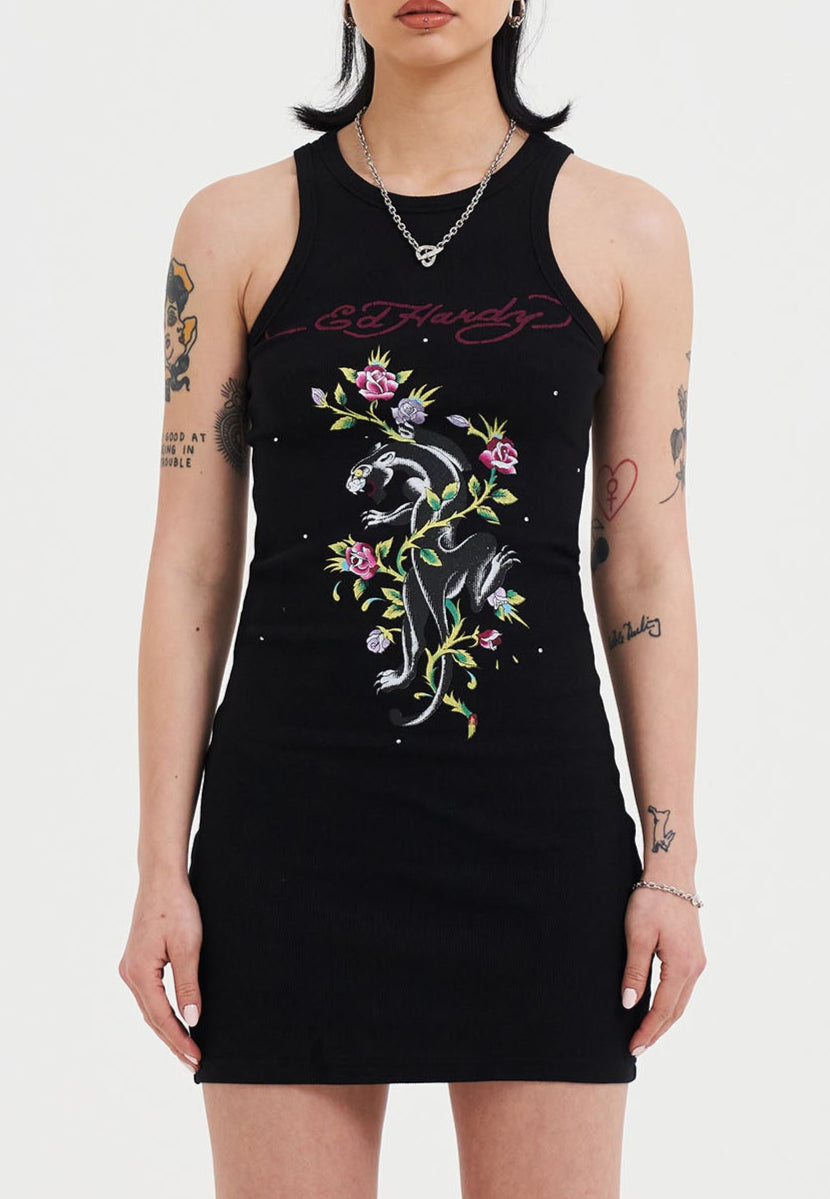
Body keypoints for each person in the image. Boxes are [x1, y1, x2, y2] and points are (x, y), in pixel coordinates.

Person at [118, 1, 706, 1195]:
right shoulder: (232, 226)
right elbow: (190, 563)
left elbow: (642, 562)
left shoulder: (625, 228)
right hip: (287, 835)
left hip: (536, 838)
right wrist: (158, 867)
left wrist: (669, 863)